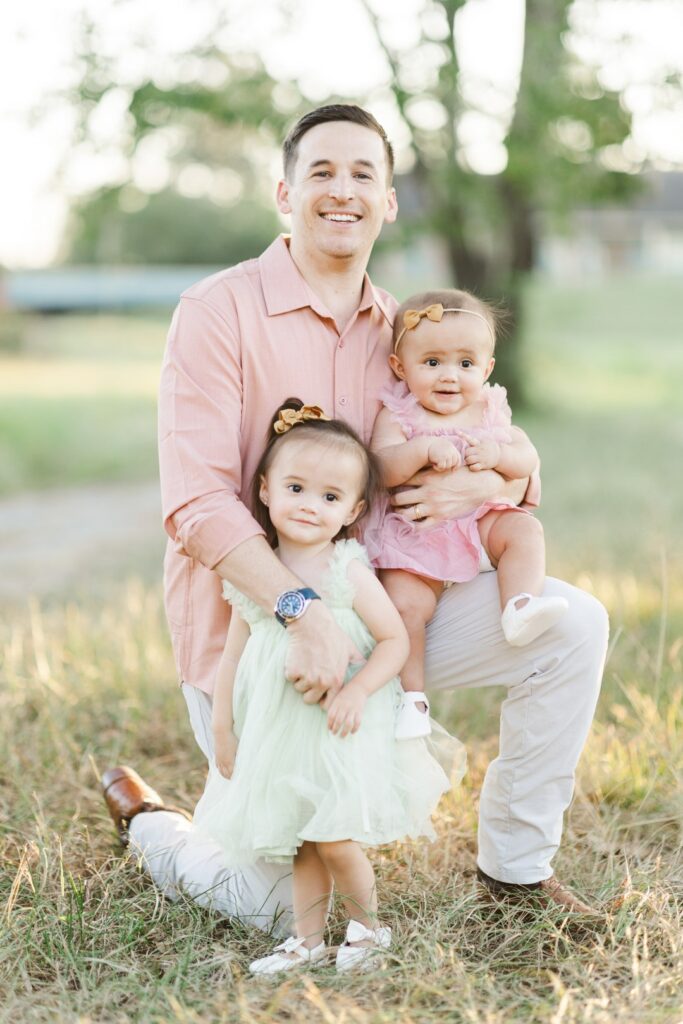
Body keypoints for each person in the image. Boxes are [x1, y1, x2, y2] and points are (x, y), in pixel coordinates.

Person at [102, 103, 608, 926]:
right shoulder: (217, 310)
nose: (343, 190)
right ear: (284, 193)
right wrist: (300, 612)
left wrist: (484, 484)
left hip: (386, 611)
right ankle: (155, 828)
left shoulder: (411, 331)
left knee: (573, 624)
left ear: (389, 201)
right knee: (271, 909)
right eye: (321, 172)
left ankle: (515, 873)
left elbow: (505, 448)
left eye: (363, 174)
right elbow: (195, 505)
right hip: (260, 634)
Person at [192, 400, 460, 973]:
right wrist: (223, 726)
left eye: (330, 497)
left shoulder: (346, 568)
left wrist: (358, 691)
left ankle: (368, 928)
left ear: (353, 510)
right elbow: (232, 655)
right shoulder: (256, 571)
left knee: (335, 836)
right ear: (265, 490)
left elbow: (394, 640)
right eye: (296, 488)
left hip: (341, 725)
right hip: (280, 728)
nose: (310, 506)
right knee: (302, 839)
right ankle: (307, 941)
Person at [365, 290, 568, 741]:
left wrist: (498, 454)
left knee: (524, 530)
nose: (449, 376)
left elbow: (526, 460)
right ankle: (412, 701)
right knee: (404, 606)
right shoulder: (398, 413)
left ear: (487, 368)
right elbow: (380, 468)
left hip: (479, 527)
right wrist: (420, 449)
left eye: (465, 363)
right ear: (400, 367)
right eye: (432, 362)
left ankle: (519, 606)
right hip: (417, 540)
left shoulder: (489, 409)